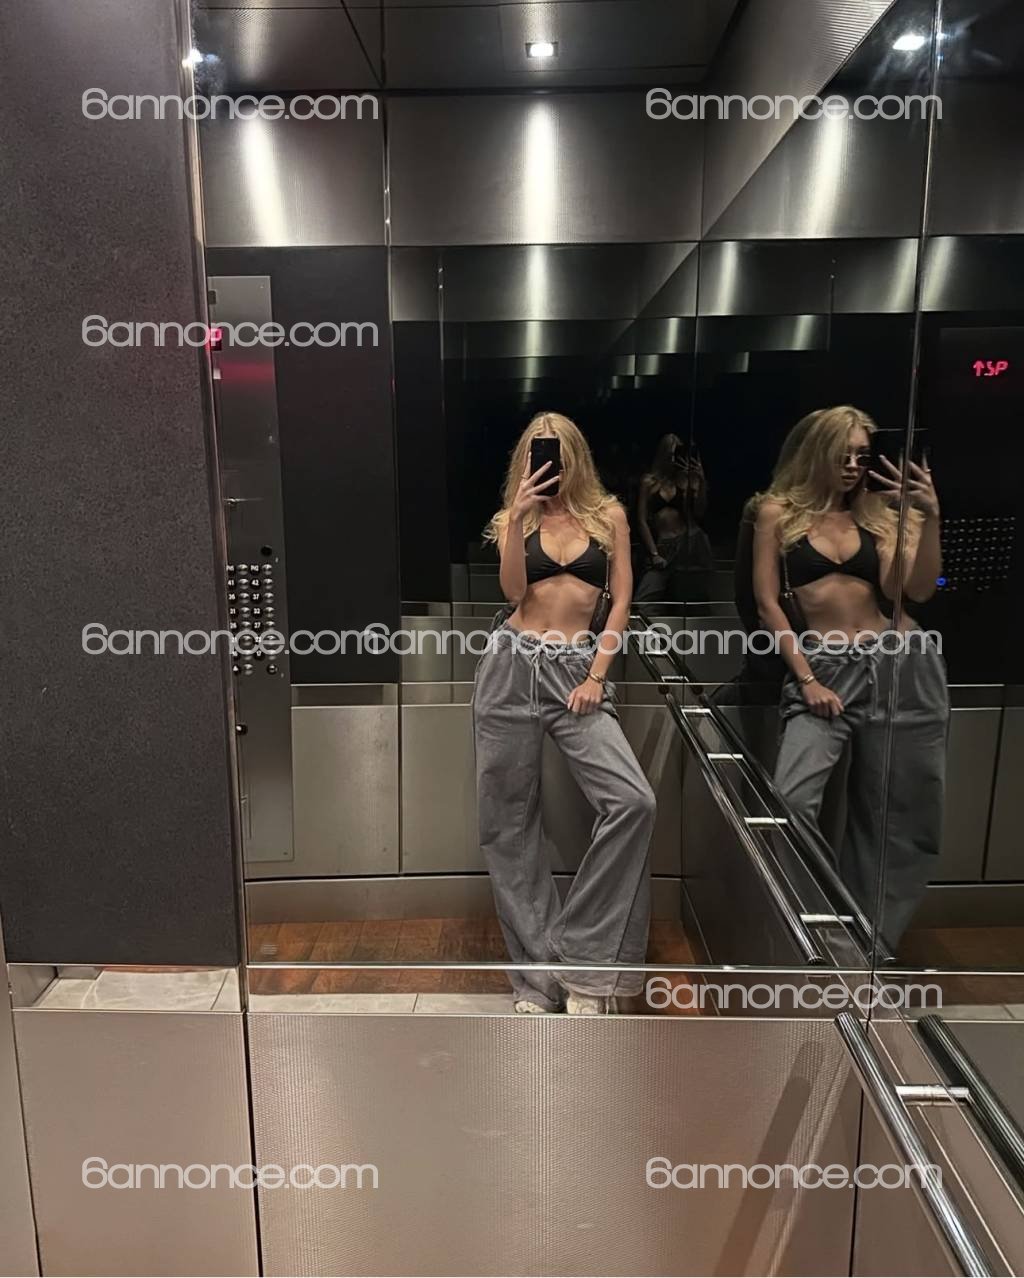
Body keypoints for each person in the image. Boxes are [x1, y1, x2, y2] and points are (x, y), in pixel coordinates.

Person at [472, 411, 656, 1015]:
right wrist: (517, 517)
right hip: (510, 664)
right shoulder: (514, 519)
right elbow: (512, 594)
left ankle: (585, 961)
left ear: (575, 454)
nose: (548, 461)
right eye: (536, 450)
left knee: (632, 801)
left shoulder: (609, 517)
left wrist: (598, 675)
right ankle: (539, 981)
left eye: (556, 450)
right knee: (507, 824)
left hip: (577, 667)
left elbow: (621, 600)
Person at [752, 405, 946, 948]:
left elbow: (914, 590)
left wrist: (928, 517)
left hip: (900, 662)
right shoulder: (777, 513)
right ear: (817, 452)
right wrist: (806, 678)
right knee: (793, 800)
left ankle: (873, 943)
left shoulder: (880, 513)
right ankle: (833, 932)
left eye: (863, 455)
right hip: (824, 665)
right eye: (843, 454)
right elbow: (769, 606)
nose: (854, 466)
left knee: (901, 812)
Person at [634, 434, 713, 605]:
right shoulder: (649, 481)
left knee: (689, 599)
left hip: (688, 542)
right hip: (662, 545)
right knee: (644, 600)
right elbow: (641, 520)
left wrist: (700, 480)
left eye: (680, 454)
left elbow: (699, 512)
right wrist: (654, 553)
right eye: (673, 454)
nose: (675, 459)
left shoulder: (685, 480)